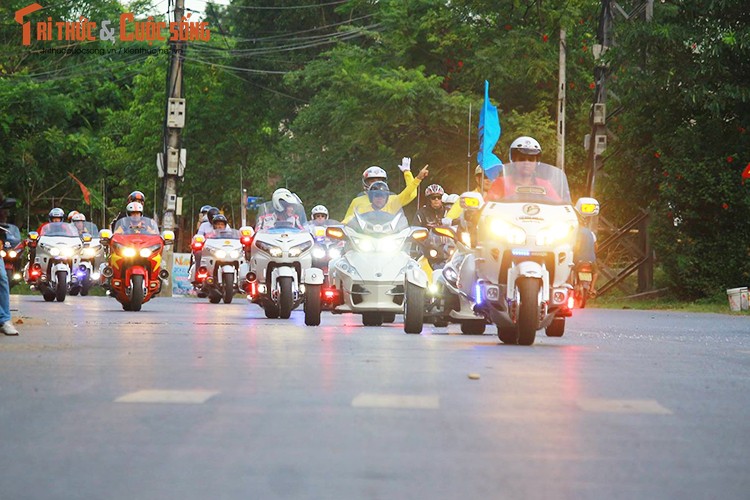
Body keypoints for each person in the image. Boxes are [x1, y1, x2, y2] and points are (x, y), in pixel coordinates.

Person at [341, 157, 429, 223]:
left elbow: (411, 194)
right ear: (365, 182)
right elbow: (348, 220)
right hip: (363, 239)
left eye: (379, 180)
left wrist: (412, 175)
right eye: (372, 181)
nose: (375, 184)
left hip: (388, 238)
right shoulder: (357, 201)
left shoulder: (392, 200)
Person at [486, 136, 560, 201]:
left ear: (536, 162)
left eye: (531, 159)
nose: (526, 163)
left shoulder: (545, 185)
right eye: (522, 159)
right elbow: (489, 205)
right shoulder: (501, 183)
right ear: (514, 161)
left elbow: (559, 206)